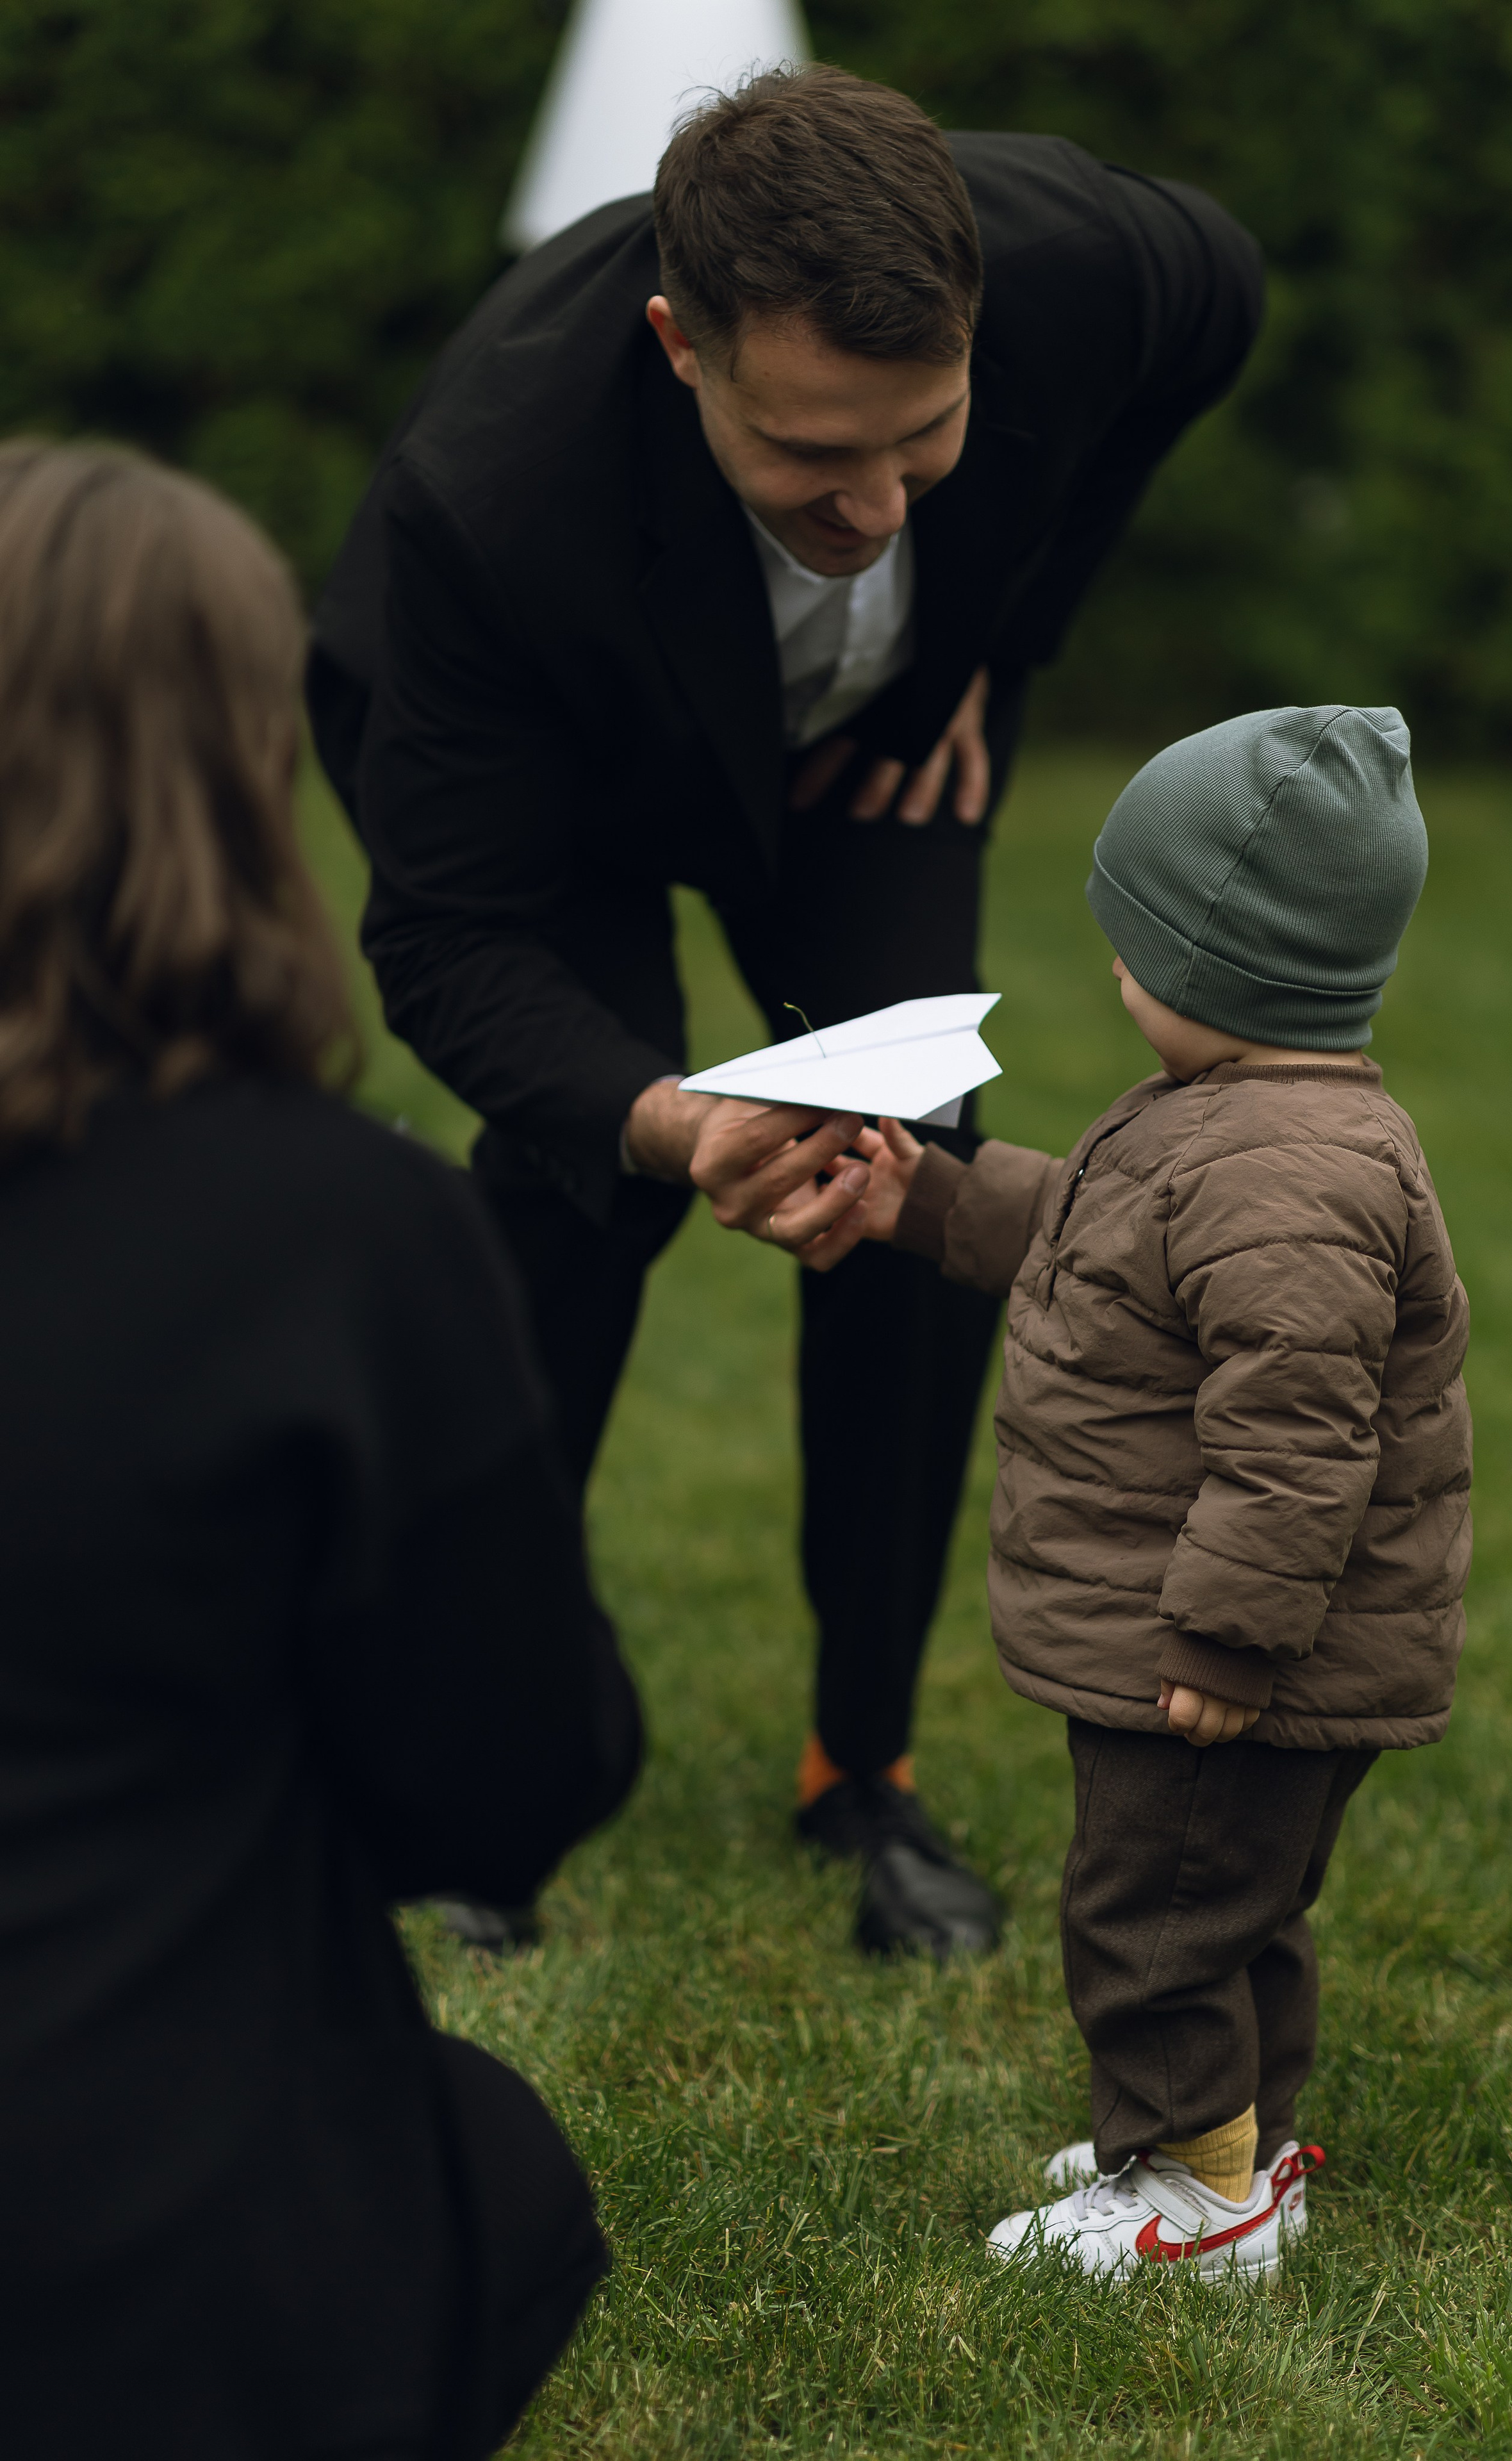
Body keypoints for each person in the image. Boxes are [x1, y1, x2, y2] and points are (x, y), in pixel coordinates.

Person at [307, 62, 1265, 1960]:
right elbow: (447, 936)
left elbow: (1214, 303)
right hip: (557, 781)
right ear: (682, 346)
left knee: (913, 1186)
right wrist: (668, 1114)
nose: (878, 500)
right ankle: (470, 1766)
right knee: (584, 1192)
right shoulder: (484, 512)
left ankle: (865, 1767)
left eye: (924, 441)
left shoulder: (1084, 268)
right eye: (814, 455)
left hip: (868, 757)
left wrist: (1003, 641)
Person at [0, 441, 641, 2458]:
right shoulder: (343, 1236)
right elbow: (511, 1782)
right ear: (245, 771)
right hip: (143, 2255)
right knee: (492, 2166)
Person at [838, 705, 1472, 2275]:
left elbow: (1294, 1435)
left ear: (1207, 962)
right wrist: (932, 1197)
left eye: (1128, 941)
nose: (1113, 970)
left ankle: (1192, 2202)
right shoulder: (1244, 1127)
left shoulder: (1279, 1173)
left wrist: (1224, 1637)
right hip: (1221, 1637)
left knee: (1157, 1914)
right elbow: (1110, 1250)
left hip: (1219, 1651)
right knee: (1230, 1903)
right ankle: (1226, 2144)